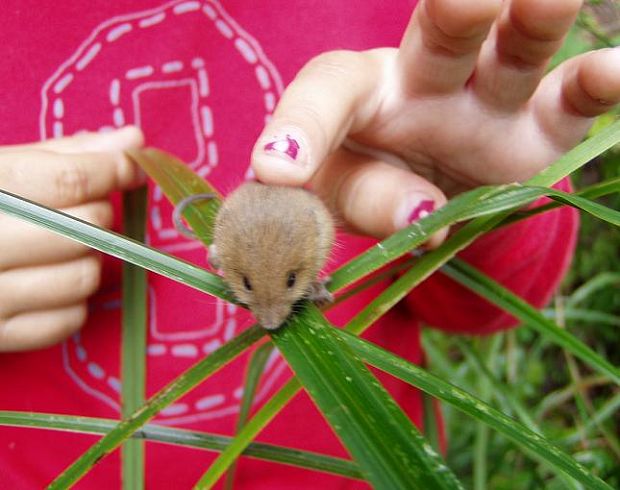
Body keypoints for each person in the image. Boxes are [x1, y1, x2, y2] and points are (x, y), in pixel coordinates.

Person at [0, 0, 618, 487]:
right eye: (245, 287)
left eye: (288, 287)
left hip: (360, 464)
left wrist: (469, 204)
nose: (269, 320)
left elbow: (493, 305)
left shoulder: (424, 30)